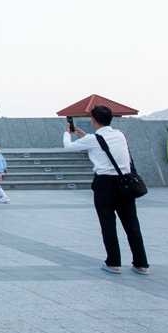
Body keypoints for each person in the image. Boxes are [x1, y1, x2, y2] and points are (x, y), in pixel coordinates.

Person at [64, 105, 149, 274]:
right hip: (125, 182)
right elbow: (105, 144)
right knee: (132, 224)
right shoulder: (120, 135)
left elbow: (69, 147)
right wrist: (86, 136)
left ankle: (113, 263)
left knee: (108, 224)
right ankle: (141, 264)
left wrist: (67, 133)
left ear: (93, 120)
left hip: (104, 184)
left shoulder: (93, 139)